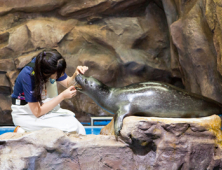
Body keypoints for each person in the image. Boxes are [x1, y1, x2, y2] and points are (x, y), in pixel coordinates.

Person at [11, 49, 88, 135]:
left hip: (45, 110)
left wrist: (76, 75)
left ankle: (28, 131)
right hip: (26, 114)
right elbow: (37, 112)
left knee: (79, 128)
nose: (61, 75)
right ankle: (24, 131)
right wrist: (62, 96)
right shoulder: (29, 76)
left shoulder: (49, 64)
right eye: (58, 74)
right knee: (70, 128)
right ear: (47, 73)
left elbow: (67, 83)